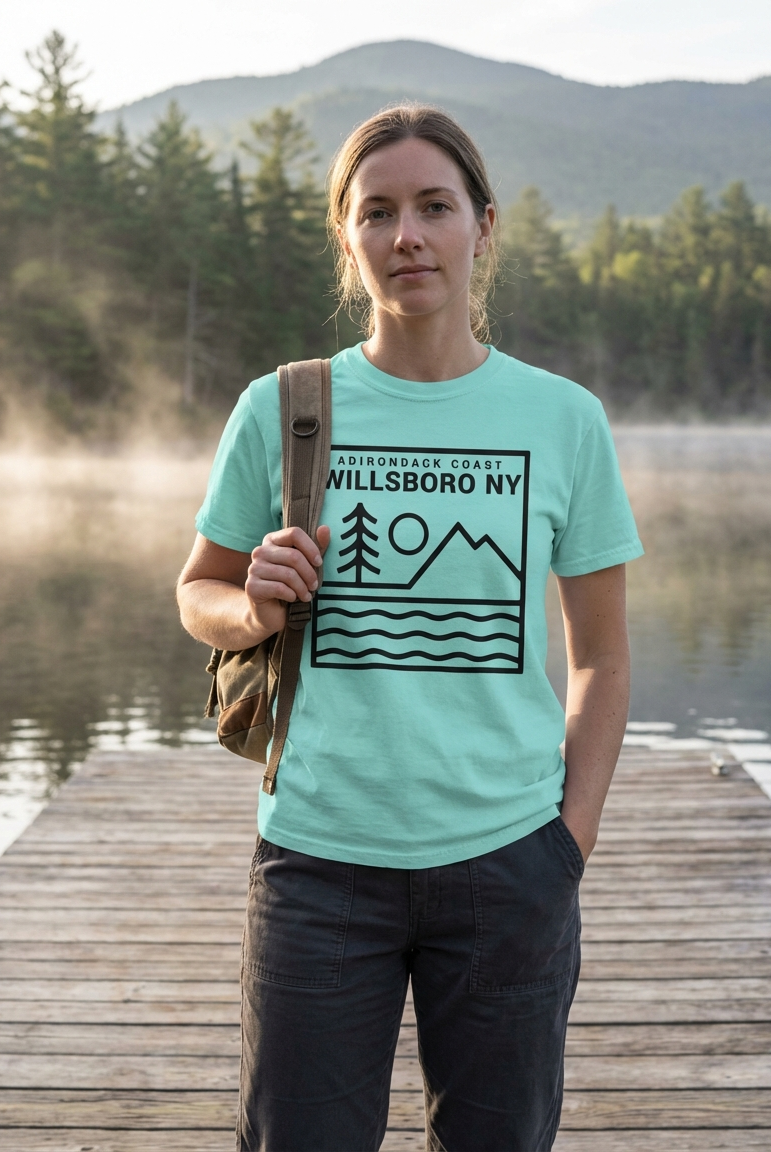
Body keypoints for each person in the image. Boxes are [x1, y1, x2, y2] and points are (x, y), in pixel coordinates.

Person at [177, 104, 643, 1152]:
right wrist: (252, 603)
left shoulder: (562, 419)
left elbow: (603, 658)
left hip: (509, 865)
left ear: (483, 224)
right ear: (345, 235)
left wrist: (569, 840)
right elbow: (195, 594)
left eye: (434, 206)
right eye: (377, 212)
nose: (408, 236)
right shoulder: (284, 407)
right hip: (317, 864)